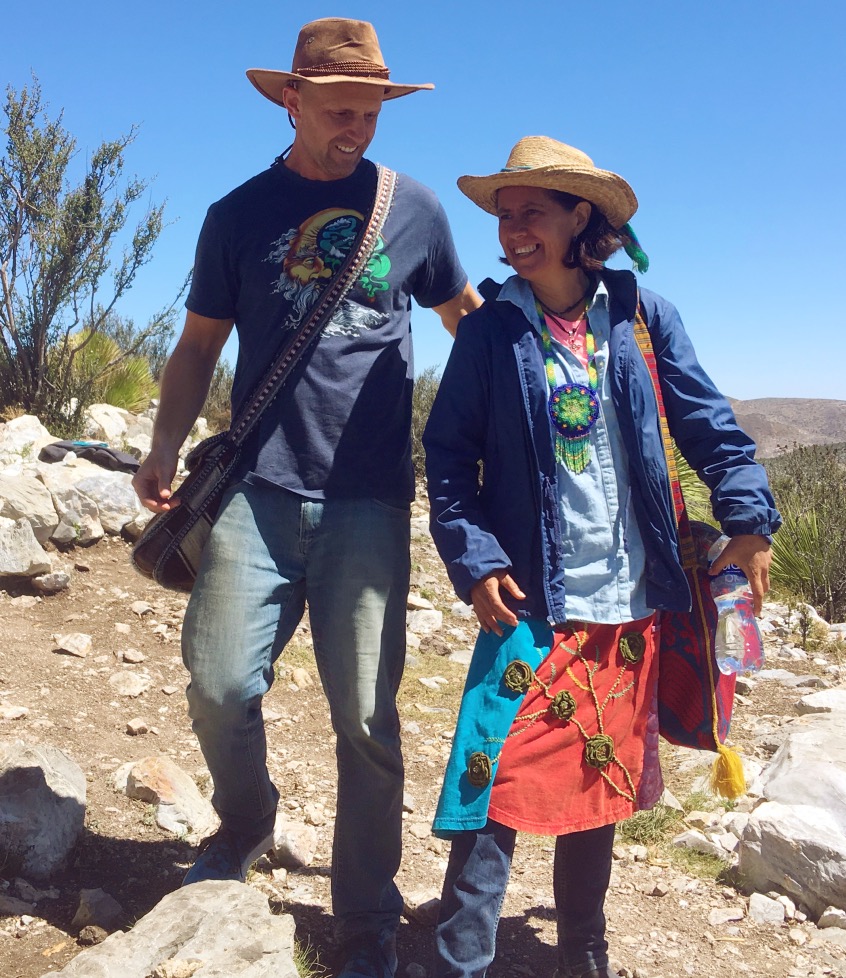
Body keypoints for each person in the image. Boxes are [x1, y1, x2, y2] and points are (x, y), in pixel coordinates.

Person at [131, 19, 480, 978]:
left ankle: (364, 920)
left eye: (370, 113)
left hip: (370, 500)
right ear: (291, 100)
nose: (356, 130)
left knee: (367, 721)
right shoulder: (238, 213)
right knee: (221, 682)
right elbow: (199, 345)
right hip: (256, 490)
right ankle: (246, 822)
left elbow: (468, 326)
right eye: (338, 112)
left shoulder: (414, 212)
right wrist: (163, 445)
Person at [423, 136, 781, 978]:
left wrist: (750, 519)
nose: (513, 230)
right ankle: (457, 963)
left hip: (631, 605)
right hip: (533, 603)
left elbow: (709, 426)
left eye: (532, 213)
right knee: (489, 786)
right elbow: (447, 460)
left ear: (580, 217)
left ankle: (584, 955)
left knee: (599, 785)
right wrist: (474, 560)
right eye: (505, 216)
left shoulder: (643, 318)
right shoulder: (488, 335)